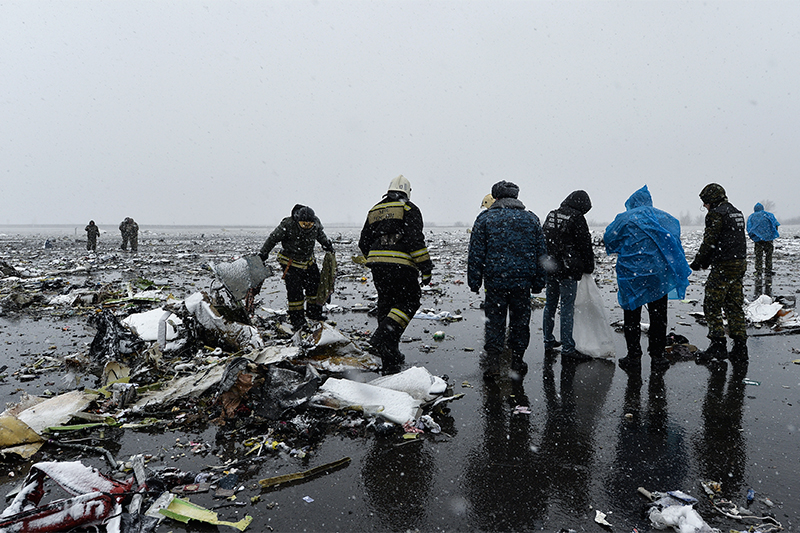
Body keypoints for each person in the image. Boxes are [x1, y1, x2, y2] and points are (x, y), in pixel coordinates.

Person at [604, 185, 692, 373]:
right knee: (658, 316)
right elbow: (674, 239)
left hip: (632, 275)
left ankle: (634, 356)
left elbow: (609, 239)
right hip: (658, 275)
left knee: (631, 316)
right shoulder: (665, 218)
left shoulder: (625, 218)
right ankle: (658, 357)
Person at [467, 181, 547, 380]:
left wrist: (474, 280)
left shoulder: (485, 219)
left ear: (495, 196)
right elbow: (541, 253)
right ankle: (517, 361)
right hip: (522, 282)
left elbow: (476, 253)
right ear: (516, 196)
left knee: (495, 321)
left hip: (495, 282)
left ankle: (493, 364)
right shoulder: (531, 219)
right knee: (520, 322)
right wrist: (539, 282)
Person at [359, 175, 433, 374]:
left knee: (386, 304)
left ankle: (390, 357)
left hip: (378, 266)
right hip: (401, 266)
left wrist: (376, 259)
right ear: (407, 191)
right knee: (409, 302)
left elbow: (363, 242)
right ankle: (380, 337)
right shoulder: (409, 209)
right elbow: (415, 241)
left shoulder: (375, 209)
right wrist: (426, 268)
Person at [690, 183, 748, 364]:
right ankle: (740, 348)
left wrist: (698, 262)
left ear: (712, 199)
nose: (705, 206)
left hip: (724, 264)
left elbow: (710, 242)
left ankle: (718, 344)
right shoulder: (736, 212)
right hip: (739, 262)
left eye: (705, 203)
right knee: (734, 303)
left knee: (712, 303)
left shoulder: (716, 214)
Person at [259, 204, 334, 330]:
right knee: (295, 293)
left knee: (314, 289)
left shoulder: (315, 224)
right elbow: (272, 239)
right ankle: (297, 320)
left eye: (309, 224)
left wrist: (326, 244)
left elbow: (320, 235)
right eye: (304, 224)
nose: (307, 227)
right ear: (298, 220)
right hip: (290, 263)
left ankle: (314, 313)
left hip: (308, 261)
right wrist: (263, 253)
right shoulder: (287, 225)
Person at [541, 190, 595, 362]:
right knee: (566, 307)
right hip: (568, 269)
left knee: (550, 304)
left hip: (552, 267)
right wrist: (588, 267)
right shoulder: (577, 218)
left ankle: (548, 340)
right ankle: (568, 347)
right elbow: (585, 244)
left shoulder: (552, 215)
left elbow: (544, 239)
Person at [746, 202, 780, 297]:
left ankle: (759, 270)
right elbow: (776, 225)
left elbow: (749, 228)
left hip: (758, 240)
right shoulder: (769, 215)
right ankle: (768, 270)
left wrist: (755, 236)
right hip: (769, 239)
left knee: (758, 256)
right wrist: (771, 235)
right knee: (769, 255)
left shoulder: (752, 216)